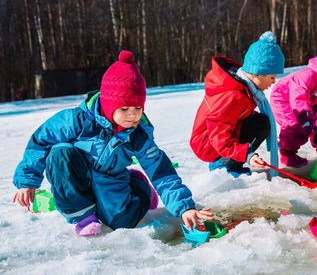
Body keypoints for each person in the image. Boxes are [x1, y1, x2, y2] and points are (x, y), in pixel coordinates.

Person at [13, 50, 213, 236]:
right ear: (109, 106)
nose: (132, 115)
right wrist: (27, 181)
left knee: (122, 223)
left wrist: (184, 207)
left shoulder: (138, 135)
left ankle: (139, 187)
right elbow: (40, 140)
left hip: (110, 180)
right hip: (77, 175)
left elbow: (161, 173)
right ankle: (84, 216)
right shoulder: (77, 120)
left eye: (137, 107)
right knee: (59, 153)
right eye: (124, 109)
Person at [189, 31, 285, 177]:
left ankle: (230, 162)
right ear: (256, 74)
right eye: (271, 77)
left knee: (261, 123)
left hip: (218, 137)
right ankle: (222, 166)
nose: (273, 82)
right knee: (260, 124)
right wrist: (248, 155)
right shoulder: (233, 96)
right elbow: (218, 133)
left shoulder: (246, 89)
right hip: (208, 144)